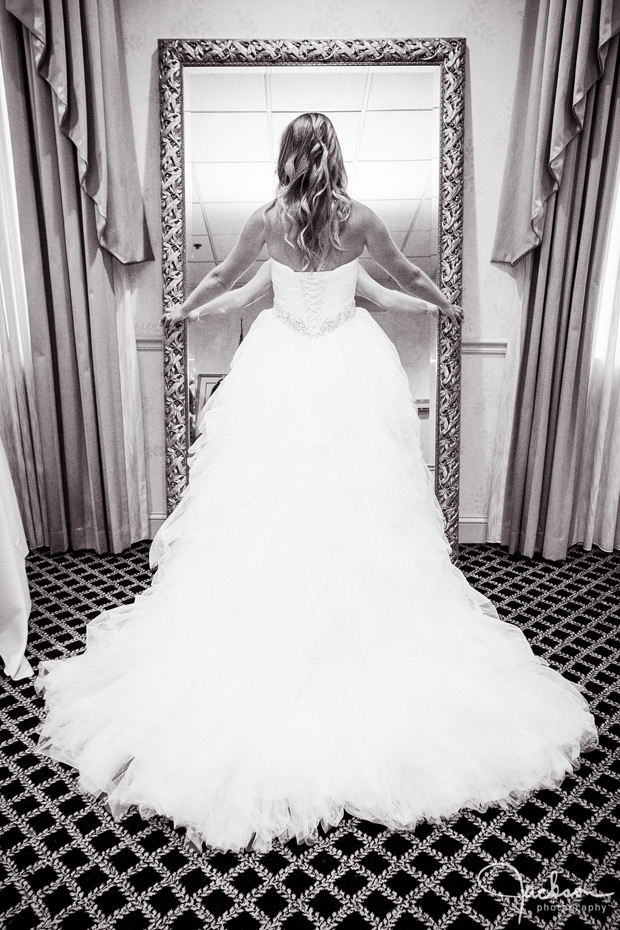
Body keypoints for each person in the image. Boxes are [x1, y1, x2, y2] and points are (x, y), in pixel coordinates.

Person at [35, 113, 598, 854]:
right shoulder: (359, 219)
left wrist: (187, 305)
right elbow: (401, 276)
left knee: (269, 501)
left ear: (285, 157)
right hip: (347, 369)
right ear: (335, 156)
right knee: (357, 497)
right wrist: (442, 298)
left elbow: (226, 283)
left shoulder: (266, 222)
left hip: (279, 368)